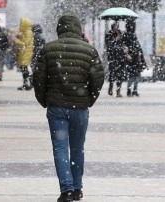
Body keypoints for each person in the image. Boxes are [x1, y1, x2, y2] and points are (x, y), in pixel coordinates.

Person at [33, 14, 104, 202]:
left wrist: (44, 100)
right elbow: (98, 78)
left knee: (60, 148)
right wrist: (89, 99)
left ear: (59, 28)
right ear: (78, 28)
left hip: (56, 107)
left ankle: (67, 190)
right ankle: (78, 188)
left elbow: (38, 78)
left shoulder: (48, 50)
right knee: (77, 148)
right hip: (80, 108)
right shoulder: (89, 50)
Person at [122, 20, 146, 97]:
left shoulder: (127, 35)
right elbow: (136, 47)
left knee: (133, 75)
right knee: (135, 75)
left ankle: (131, 90)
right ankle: (133, 90)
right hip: (133, 58)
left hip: (132, 58)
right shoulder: (130, 35)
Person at [105, 21, 128, 97]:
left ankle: (118, 91)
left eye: (117, 26)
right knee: (112, 74)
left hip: (120, 57)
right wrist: (115, 40)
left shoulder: (120, 33)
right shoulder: (108, 34)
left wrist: (125, 48)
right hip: (113, 57)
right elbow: (109, 46)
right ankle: (110, 87)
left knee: (120, 75)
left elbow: (122, 44)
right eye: (115, 26)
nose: (116, 28)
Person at [13, 18, 34, 90]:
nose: (20, 25)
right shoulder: (25, 32)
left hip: (25, 53)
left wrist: (16, 41)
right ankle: (25, 84)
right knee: (23, 69)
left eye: (21, 23)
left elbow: (25, 43)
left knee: (24, 69)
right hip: (23, 53)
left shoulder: (28, 32)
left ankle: (27, 84)